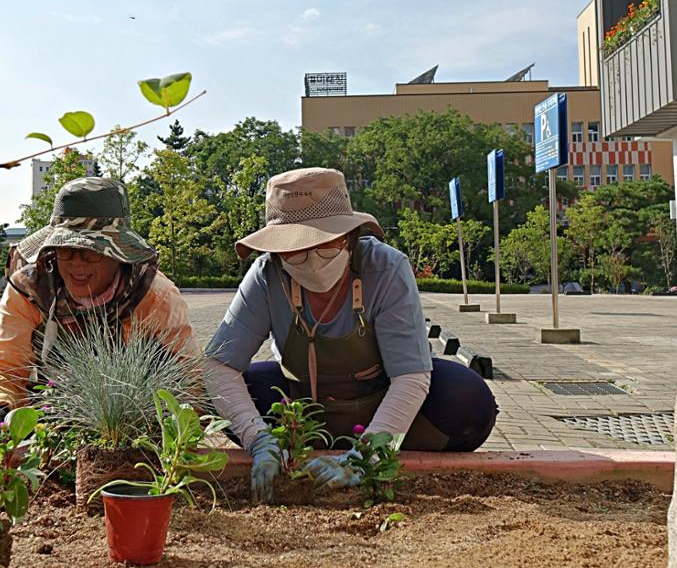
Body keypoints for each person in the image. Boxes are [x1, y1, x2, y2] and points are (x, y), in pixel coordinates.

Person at [204, 167, 499, 503]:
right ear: (276, 251)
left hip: (383, 400)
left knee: (467, 398)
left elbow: (411, 377)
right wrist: (257, 439)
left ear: (350, 236)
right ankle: (290, 447)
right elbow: (219, 365)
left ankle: (377, 441)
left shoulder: (386, 268)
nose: (313, 261)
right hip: (304, 409)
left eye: (326, 244)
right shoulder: (266, 277)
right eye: (296, 251)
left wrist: (367, 456)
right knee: (229, 394)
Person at [0, 178, 195, 424]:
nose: (77, 262)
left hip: (135, 413)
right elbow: (3, 367)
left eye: (91, 251)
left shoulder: (153, 295)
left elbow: (190, 378)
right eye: (65, 248)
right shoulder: (30, 290)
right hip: (51, 399)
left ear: (119, 255)